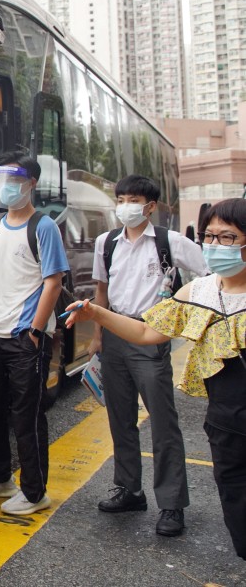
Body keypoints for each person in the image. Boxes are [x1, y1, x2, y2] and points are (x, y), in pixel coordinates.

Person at [63, 197, 246, 561]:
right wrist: (98, 313)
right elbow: (149, 332)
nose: (213, 246)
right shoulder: (201, 291)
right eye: (209, 237)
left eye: (226, 238)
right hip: (226, 424)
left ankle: (174, 505)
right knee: (237, 509)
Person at [88, 175, 208, 537]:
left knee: (162, 422)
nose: (126, 206)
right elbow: (101, 289)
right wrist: (97, 339)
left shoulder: (171, 242)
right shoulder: (106, 242)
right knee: (119, 417)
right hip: (113, 335)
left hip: (150, 335)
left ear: (150, 206)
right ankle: (129, 490)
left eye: (134, 200)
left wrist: (184, 312)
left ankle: (172, 505)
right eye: (121, 199)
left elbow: (209, 275)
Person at [0, 152, 68, 516]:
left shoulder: (44, 226)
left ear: (31, 185)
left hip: (24, 336)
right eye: (3, 181)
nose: (7, 188)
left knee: (26, 415)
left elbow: (53, 282)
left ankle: (35, 493)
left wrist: (36, 331)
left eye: (15, 181)